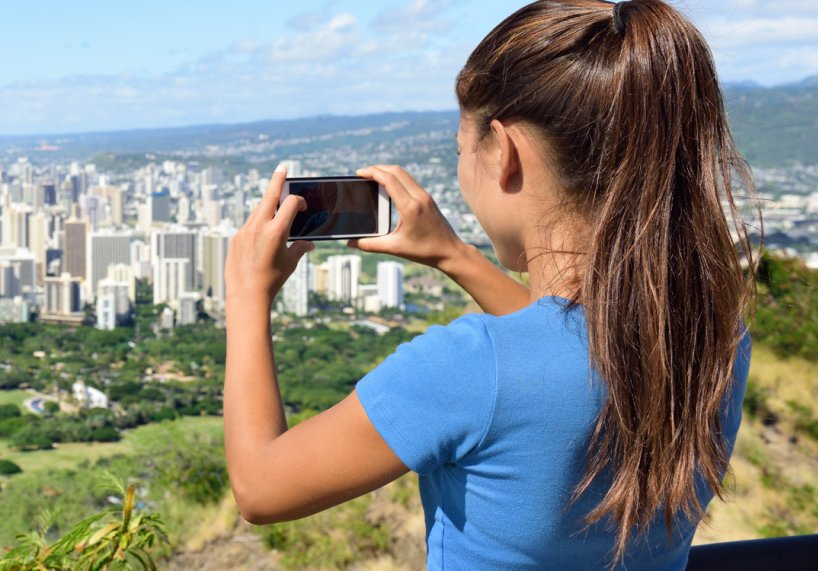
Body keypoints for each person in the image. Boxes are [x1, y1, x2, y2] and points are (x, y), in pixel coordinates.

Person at [222, 1, 754, 568]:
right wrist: (455, 256)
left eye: (460, 150)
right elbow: (565, 347)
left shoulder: (467, 368)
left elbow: (261, 488)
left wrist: (247, 296)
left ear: (503, 152)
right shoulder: (713, 339)